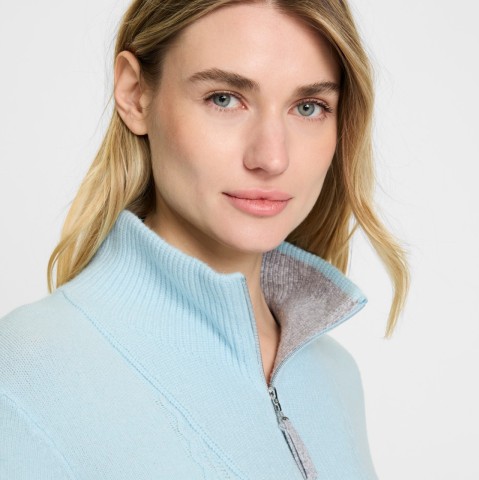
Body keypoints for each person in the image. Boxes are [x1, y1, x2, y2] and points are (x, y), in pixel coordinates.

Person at [0, 0, 408, 479]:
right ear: (135, 94)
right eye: (224, 99)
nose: (271, 157)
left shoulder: (334, 375)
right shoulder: (25, 376)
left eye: (308, 107)